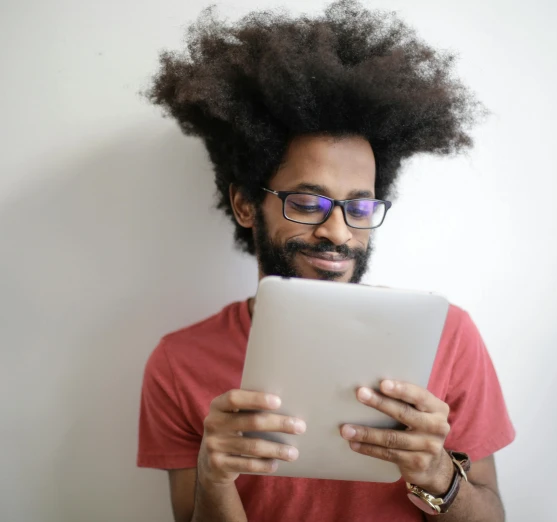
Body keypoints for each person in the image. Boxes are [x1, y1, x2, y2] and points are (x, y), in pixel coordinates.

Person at [137, 1, 515, 520]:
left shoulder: (450, 338)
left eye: (359, 206)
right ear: (247, 204)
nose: (337, 232)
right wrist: (214, 476)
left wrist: (439, 475)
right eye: (308, 202)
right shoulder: (178, 363)